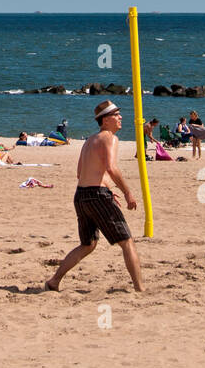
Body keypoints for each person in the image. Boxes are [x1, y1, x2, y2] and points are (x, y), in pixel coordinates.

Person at [46, 100, 143, 293]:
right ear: (105, 120)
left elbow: (81, 173)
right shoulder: (109, 138)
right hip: (96, 195)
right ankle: (140, 289)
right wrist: (127, 192)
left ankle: (54, 281)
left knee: (88, 244)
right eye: (116, 115)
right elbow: (111, 167)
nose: (120, 117)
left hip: (81, 195)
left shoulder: (89, 140)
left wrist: (106, 187)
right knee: (127, 241)